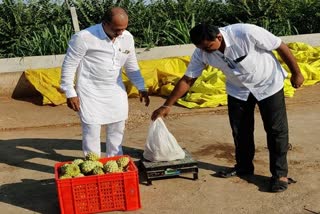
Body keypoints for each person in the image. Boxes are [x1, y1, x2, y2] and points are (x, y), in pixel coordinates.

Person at [151, 23, 304, 192]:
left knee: (276, 130)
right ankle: (244, 167)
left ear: (218, 37)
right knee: (240, 131)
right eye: (201, 48)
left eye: (209, 47)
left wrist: (296, 73)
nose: (207, 52)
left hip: (268, 84)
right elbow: (188, 79)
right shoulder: (201, 52)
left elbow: (280, 46)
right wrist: (167, 105)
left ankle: (279, 175)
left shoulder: (246, 33)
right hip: (238, 90)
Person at [60, 7, 150, 158]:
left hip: (115, 91)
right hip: (90, 91)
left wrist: (141, 86)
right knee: (92, 129)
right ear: (105, 23)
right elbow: (69, 66)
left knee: (117, 127)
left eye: (123, 29)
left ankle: (115, 159)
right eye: (116, 29)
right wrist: (70, 92)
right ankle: (93, 163)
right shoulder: (83, 37)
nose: (120, 33)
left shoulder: (127, 38)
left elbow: (131, 65)